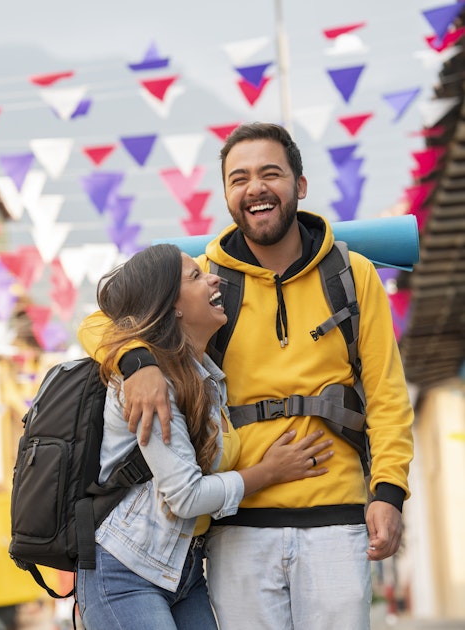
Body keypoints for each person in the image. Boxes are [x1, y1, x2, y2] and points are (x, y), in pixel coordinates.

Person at [78, 122, 414, 629]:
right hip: (237, 526)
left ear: (299, 187)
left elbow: (387, 395)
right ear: (228, 197)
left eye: (270, 173)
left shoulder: (351, 274)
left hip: (336, 517)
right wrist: (136, 361)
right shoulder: (205, 275)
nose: (254, 187)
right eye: (239, 179)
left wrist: (388, 492)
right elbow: (98, 321)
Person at [77, 243, 335, 630]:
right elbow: (186, 497)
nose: (214, 278)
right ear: (172, 305)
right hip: (125, 571)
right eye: (195, 276)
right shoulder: (151, 383)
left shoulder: (208, 378)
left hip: (184, 570)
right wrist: (268, 472)